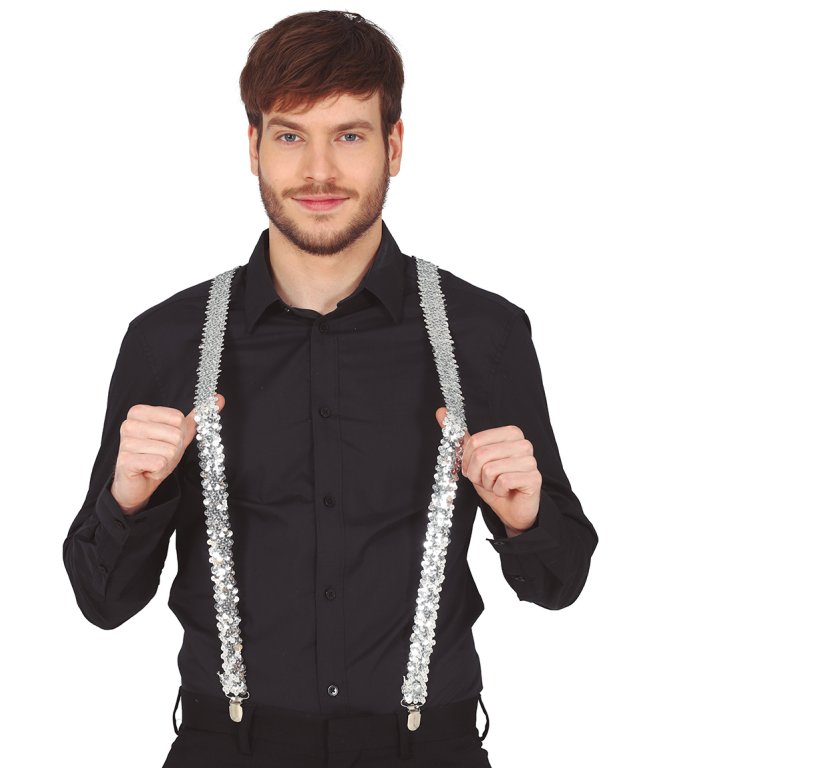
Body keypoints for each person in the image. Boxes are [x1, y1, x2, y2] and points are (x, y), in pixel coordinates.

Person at [62, 10, 597, 767]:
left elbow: (559, 581)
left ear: (394, 146)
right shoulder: (167, 340)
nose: (319, 171)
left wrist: (524, 517)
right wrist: (129, 502)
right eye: (290, 136)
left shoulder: (484, 333)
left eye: (348, 135)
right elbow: (103, 602)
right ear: (253, 147)